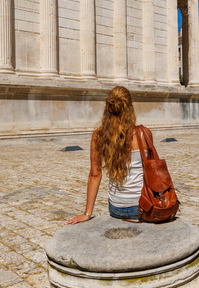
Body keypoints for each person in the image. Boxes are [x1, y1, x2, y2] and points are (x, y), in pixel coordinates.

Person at [65, 86, 152, 224]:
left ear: (108, 108)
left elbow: (95, 175)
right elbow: (151, 170)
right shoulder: (143, 133)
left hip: (117, 208)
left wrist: (87, 213)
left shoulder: (99, 135)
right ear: (130, 108)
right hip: (143, 205)